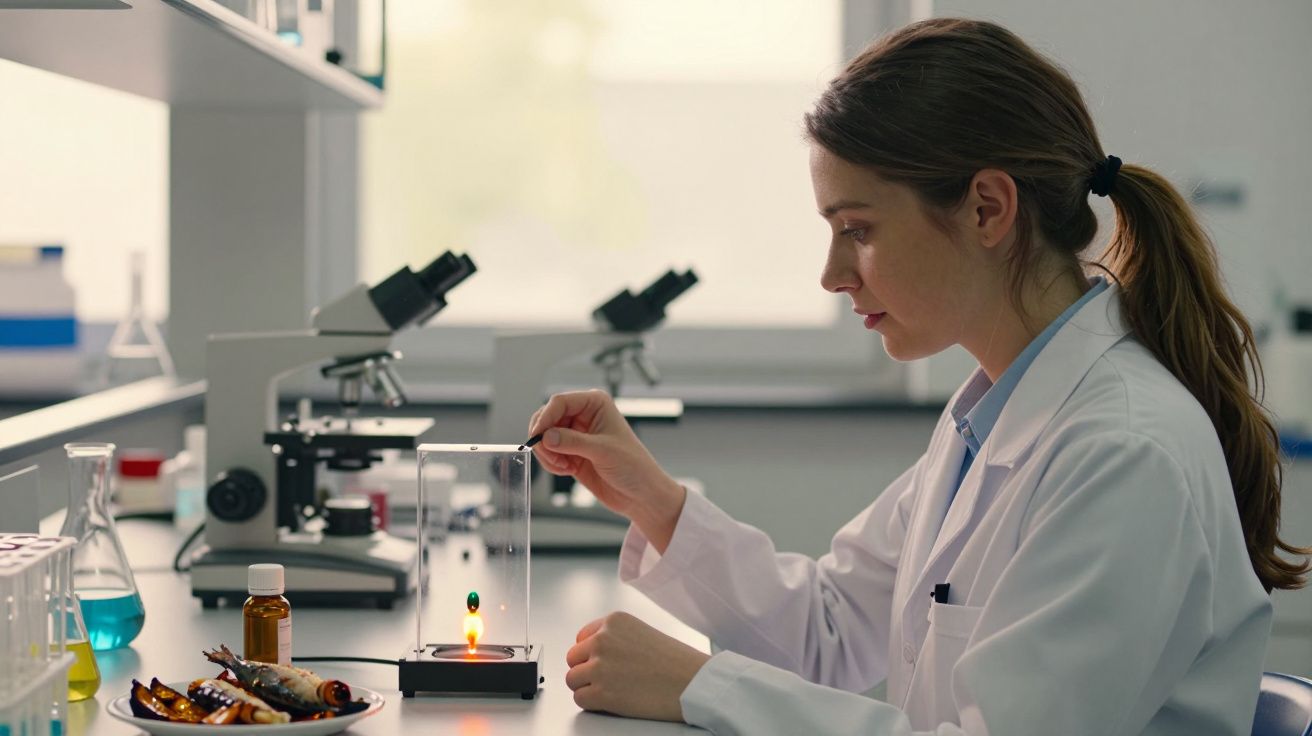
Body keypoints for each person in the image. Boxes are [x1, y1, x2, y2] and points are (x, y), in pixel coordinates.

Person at [527, 17, 1306, 735]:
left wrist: (703, 685)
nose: (833, 275)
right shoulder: (990, 421)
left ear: (987, 210)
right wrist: (651, 500)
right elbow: (830, 630)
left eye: (856, 231)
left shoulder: (1125, 454)